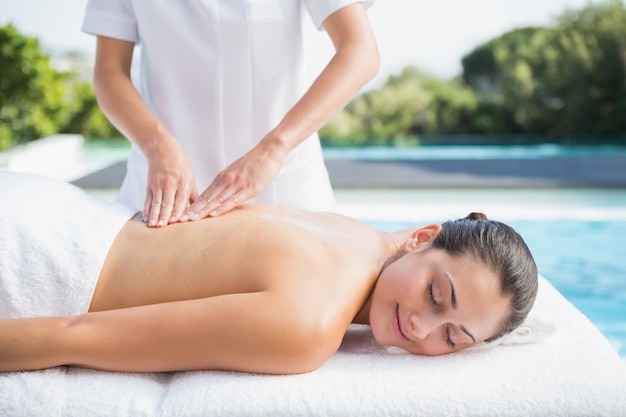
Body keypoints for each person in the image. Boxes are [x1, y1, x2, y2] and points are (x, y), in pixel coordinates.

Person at [0, 173, 538, 375]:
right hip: (33, 257)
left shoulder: (346, 229)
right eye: (436, 294)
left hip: (50, 202)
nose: (421, 326)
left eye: (453, 335)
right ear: (421, 238)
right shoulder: (306, 326)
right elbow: (72, 335)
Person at [81, 0, 380, 228]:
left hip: (284, 191)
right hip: (163, 198)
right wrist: (157, 146)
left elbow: (360, 50)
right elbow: (109, 71)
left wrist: (275, 148)